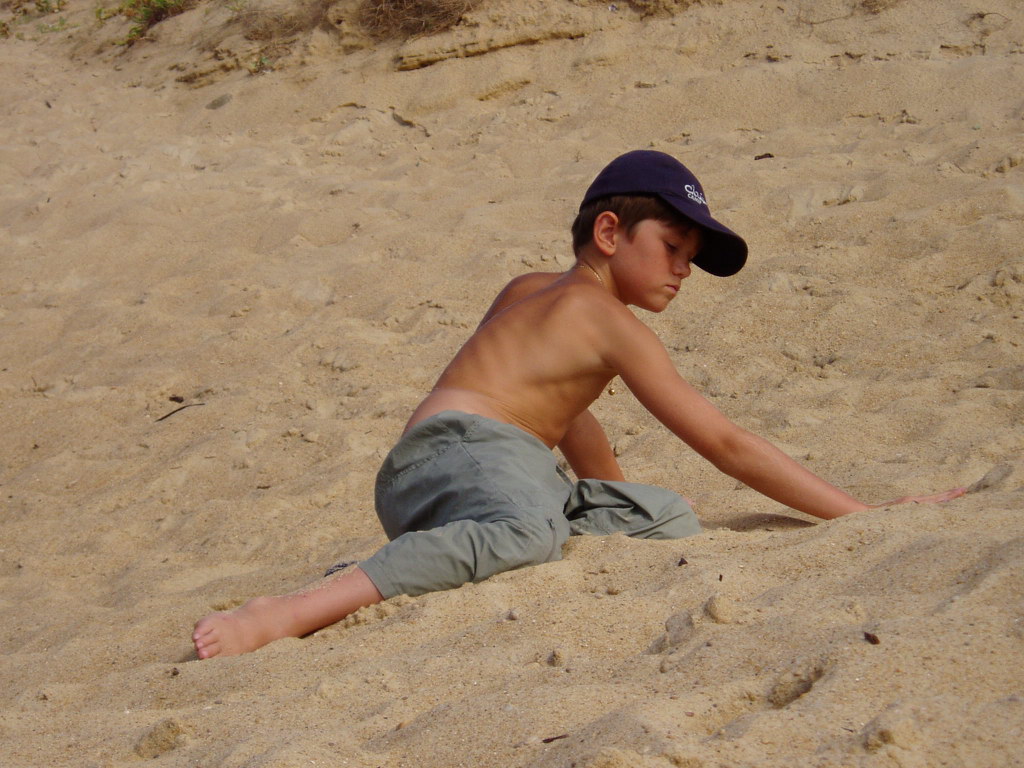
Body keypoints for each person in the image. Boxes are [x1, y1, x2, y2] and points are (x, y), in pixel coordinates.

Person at [192, 150, 964, 659]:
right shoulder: (607, 322)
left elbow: (564, 415)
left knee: (666, 517)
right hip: (459, 455)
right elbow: (725, 444)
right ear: (609, 232)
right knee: (530, 531)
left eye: (691, 260)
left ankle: (448, 547)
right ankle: (288, 611)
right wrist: (863, 515)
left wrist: (616, 503)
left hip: (462, 473)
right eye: (672, 248)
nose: (682, 271)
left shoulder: (530, 291)